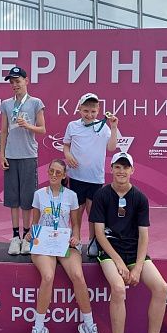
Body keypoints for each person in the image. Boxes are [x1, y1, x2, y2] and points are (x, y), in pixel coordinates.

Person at [89, 152, 167, 333]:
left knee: (162, 288)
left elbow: (144, 236)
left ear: (132, 170)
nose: (121, 171)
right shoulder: (101, 195)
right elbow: (99, 234)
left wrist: (138, 268)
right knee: (118, 288)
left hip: (133, 252)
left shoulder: (140, 198)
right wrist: (118, 262)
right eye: (117, 167)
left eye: (125, 167)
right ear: (111, 169)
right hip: (109, 252)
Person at [25, 159, 104, 333]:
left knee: (77, 275)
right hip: (44, 243)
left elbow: (75, 224)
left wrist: (76, 237)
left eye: (58, 172)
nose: (53, 175)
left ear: (64, 175)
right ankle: (38, 329)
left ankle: (89, 326)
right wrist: (30, 234)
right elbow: (34, 223)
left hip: (64, 243)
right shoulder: (39, 194)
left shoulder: (71, 196)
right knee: (48, 276)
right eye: (51, 171)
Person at [63, 93, 118, 257]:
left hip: (95, 178)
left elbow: (111, 147)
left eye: (93, 111)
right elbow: (66, 145)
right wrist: (68, 155)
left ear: (98, 110)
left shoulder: (104, 127)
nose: (89, 114)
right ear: (79, 108)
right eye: (86, 111)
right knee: (77, 210)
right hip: (76, 176)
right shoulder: (72, 126)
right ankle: (76, 239)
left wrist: (114, 127)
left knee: (93, 212)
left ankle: (93, 241)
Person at [0, 66, 46, 255]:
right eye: (12, 82)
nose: (15, 85)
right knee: (13, 199)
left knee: (27, 200)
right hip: (11, 156)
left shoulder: (36, 103)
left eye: (18, 81)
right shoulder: (6, 104)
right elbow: (3, 131)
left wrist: (28, 125)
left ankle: (27, 236)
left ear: (26, 81)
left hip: (28, 156)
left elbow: (42, 129)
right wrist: (2, 154)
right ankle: (15, 237)